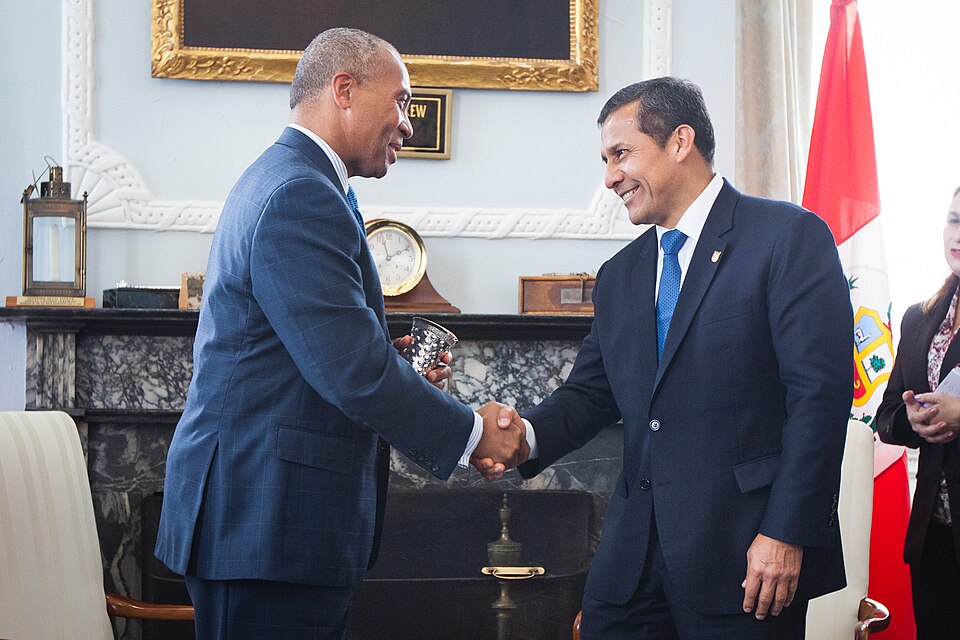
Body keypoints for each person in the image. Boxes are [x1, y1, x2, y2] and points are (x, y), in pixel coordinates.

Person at [154, 28, 528, 640]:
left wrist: (393, 361)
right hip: (265, 522)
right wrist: (471, 431)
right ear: (344, 90)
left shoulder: (302, 181)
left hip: (273, 521)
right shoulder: (300, 193)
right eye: (402, 102)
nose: (409, 124)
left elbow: (314, 349)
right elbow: (351, 371)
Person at [483, 77, 853, 638]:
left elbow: (819, 399)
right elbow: (589, 394)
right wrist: (523, 437)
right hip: (630, 562)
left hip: (745, 552)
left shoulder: (787, 237)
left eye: (621, 154)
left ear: (680, 142)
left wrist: (786, 532)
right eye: (605, 159)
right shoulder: (619, 275)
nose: (609, 177)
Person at [876, 186, 960, 640]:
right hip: (933, 535)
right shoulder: (918, 318)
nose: (958, 235)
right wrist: (913, 422)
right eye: (954, 219)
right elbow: (887, 413)